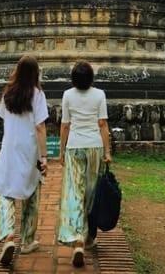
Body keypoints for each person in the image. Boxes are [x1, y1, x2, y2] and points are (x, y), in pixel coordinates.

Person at [0, 55, 49, 265]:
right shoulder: (37, 95)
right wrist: (44, 156)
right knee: (32, 191)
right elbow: (40, 126)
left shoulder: (8, 93)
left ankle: (7, 235)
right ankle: (27, 240)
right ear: (35, 73)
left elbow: (4, 118)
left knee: (6, 191)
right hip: (29, 149)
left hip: (10, 147)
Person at [57, 61, 112, 268]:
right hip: (94, 146)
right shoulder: (99, 95)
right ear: (91, 79)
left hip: (74, 147)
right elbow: (102, 124)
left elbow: (65, 125)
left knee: (74, 192)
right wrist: (107, 151)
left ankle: (78, 238)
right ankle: (88, 237)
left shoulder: (67, 95)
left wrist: (61, 151)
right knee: (91, 191)